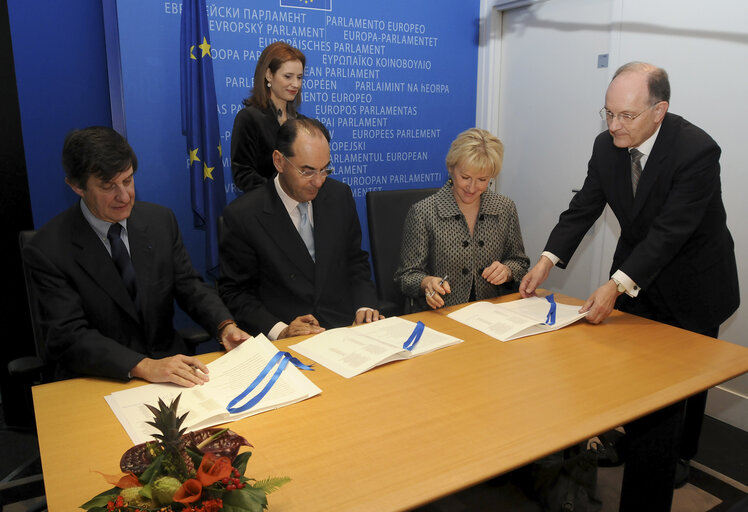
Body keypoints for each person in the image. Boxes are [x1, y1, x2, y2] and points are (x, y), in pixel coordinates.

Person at [519, 62, 739, 506]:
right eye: (608, 113)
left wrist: (615, 285)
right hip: (638, 278)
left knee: (684, 385)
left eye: (626, 117)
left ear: (659, 110)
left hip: (692, 282)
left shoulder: (696, 151)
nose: (614, 126)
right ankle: (639, 442)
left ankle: (679, 456)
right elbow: (584, 206)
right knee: (634, 377)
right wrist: (546, 260)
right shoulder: (608, 147)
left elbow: (670, 232)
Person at [23, 126, 250, 387]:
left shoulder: (160, 221)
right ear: (76, 186)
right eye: (108, 186)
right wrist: (142, 366)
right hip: (99, 379)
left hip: (170, 372)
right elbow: (69, 337)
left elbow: (190, 286)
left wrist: (224, 326)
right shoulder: (48, 249)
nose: (124, 196)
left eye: (128, 180)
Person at [219, 117, 383, 339]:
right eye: (307, 171)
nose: (318, 181)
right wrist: (281, 330)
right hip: (287, 340)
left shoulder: (339, 196)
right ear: (279, 161)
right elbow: (236, 293)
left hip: (343, 330)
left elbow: (355, 261)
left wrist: (364, 308)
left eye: (325, 170)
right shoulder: (243, 215)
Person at [394, 128, 529, 311]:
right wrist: (427, 283)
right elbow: (406, 276)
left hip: (493, 313)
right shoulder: (424, 211)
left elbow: (519, 262)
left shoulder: (504, 208)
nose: (472, 188)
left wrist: (507, 271)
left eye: (482, 180)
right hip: (442, 314)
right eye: (465, 177)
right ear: (451, 168)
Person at [231, 41, 307, 192]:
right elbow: (243, 175)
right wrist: (280, 195)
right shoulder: (248, 118)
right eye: (288, 76)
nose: (296, 84)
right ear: (268, 75)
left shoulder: (302, 123)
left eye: (299, 77)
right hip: (263, 208)